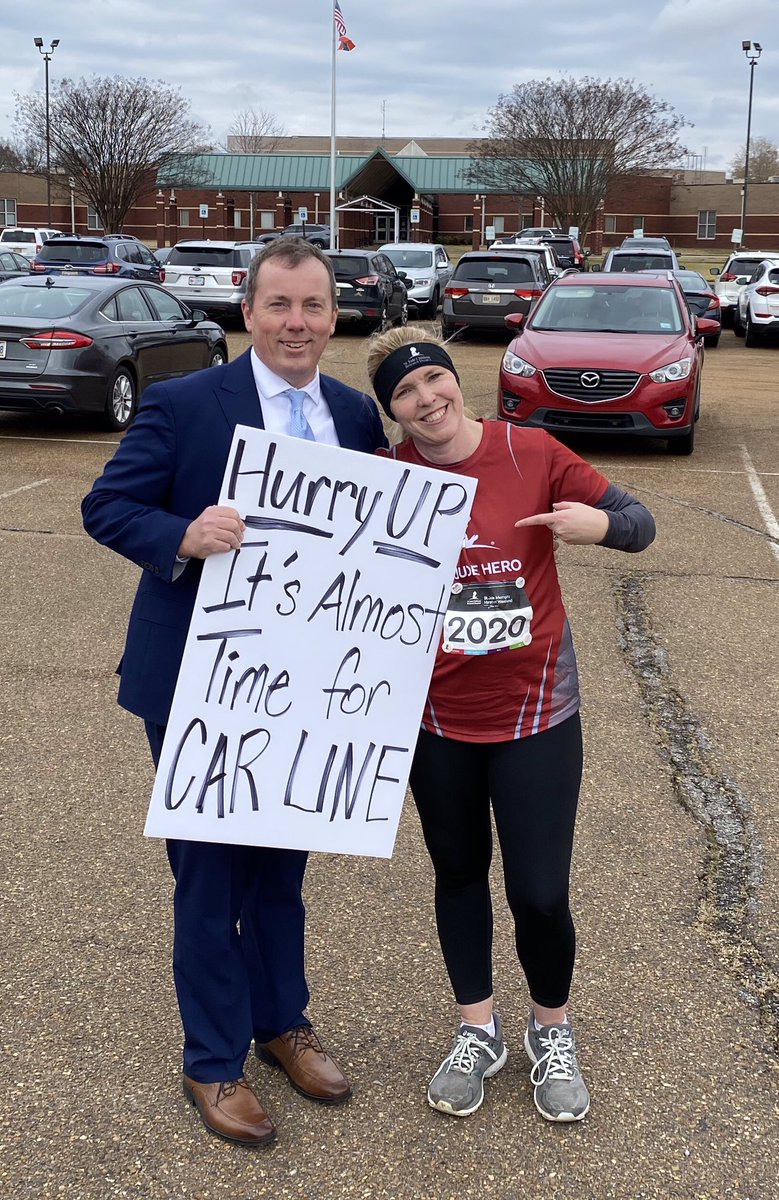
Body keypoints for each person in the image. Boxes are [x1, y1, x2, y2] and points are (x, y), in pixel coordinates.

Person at [81, 239, 387, 1148]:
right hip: (198, 685)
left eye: (314, 306)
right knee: (210, 878)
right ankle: (211, 1061)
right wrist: (184, 533)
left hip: (310, 692)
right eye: (280, 305)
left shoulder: (353, 414)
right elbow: (107, 507)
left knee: (283, 871)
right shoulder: (184, 403)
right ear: (246, 312)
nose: (297, 323)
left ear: (335, 316)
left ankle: (280, 1022)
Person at [366, 326, 655, 1123]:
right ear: (391, 411)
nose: (425, 399)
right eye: (404, 392)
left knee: (538, 891)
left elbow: (639, 521)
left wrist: (600, 528)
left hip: (534, 714)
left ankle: (549, 1032)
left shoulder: (530, 452)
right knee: (457, 875)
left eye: (433, 380)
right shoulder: (388, 478)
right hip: (436, 722)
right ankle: (477, 1030)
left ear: (458, 382)